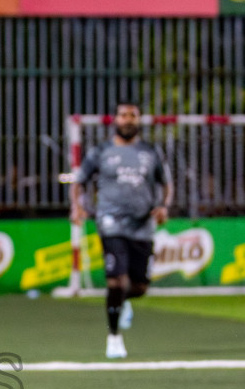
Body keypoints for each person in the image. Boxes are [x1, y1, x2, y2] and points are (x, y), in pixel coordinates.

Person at [71, 102, 172, 359]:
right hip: (110, 221)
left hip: (142, 225)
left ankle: (124, 300)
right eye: (123, 115)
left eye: (133, 116)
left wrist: (163, 206)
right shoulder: (101, 151)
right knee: (116, 281)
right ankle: (114, 338)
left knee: (138, 287)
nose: (128, 120)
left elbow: (166, 184)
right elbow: (79, 182)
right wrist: (77, 207)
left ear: (139, 120)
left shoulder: (150, 152)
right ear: (115, 119)